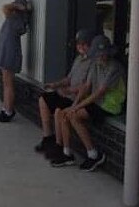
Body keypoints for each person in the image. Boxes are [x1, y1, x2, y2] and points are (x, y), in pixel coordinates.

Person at [51, 34, 126, 171]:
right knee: (64, 114)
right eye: (98, 54)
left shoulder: (115, 67)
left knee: (73, 115)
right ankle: (67, 153)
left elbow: (100, 92)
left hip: (110, 105)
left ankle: (93, 154)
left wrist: (77, 107)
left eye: (103, 54)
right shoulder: (95, 64)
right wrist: (74, 106)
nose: (100, 57)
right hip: (98, 102)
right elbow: (87, 86)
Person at [34, 29, 94, 155]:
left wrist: (68, 90)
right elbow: (69, 78)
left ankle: (59, 145)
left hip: (77, 99)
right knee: (43, 99)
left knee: (58, 111)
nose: (81, 47)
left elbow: (87, 86)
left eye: (84, 44)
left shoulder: (93, 63)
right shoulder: (78, 59)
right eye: (79, 44)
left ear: (91, 45)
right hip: (66, 94)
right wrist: (55, 84)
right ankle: (47, 137)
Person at [0, 0, 31, 122]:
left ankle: (8, 110)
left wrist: (20, 7)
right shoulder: (14, 18)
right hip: (7, 52)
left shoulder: (15, 19)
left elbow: (5, 7)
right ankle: (5, 108)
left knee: (8, 83)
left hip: (9, 54)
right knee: (6, 82)